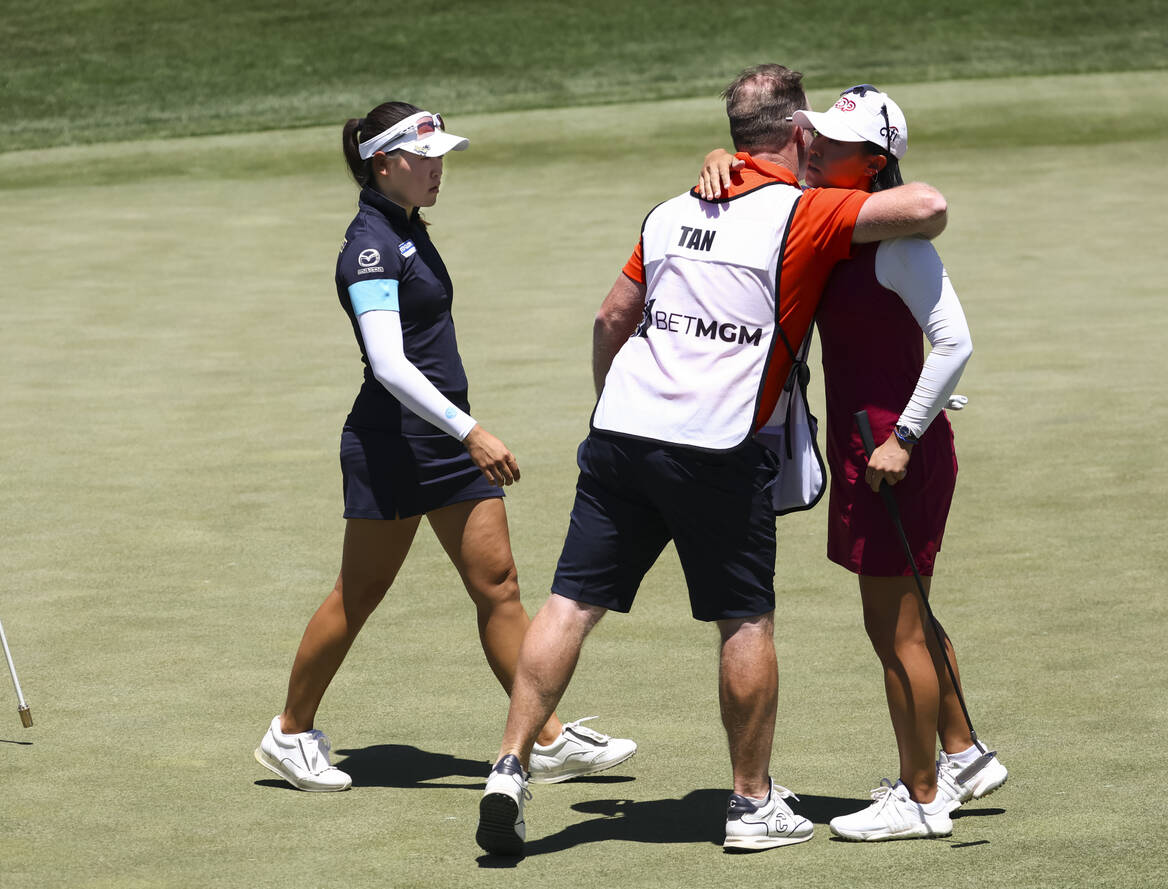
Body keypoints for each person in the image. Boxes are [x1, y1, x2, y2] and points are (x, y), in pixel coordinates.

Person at [474, 65, 950, 857]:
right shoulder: (802, 215)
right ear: (799, 134)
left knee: (569, 603)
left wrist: (616, 406)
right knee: (744, 618)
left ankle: (509, 763)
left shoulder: (669, 211)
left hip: (622, 433)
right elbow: (927, 206)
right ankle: (751, 803)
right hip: (719, 449)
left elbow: (611, 318)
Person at [255, 102, 635, 792]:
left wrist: (459, 431)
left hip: (441, 440)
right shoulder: (369, 245)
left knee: (499, 587)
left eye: (441, 156)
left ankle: (543, 739)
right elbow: (390, 365)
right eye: (423, 157)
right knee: (360, 593)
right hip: (395, 445)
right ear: (383, 164)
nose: (438, 169)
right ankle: (288, 732)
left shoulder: (406, 227)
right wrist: (471, 429)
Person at [700, 85, 1008, 841]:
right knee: (908, 616)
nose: (815, 149)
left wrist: (904, 433)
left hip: (891, 454)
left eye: (833, 145)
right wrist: (720, 160)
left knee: (894, 627)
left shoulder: (901, 245)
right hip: (872, 446)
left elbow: (956, 343)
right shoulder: (837, 226)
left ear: (871, 165)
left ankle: (924, 795)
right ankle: (962, 755)